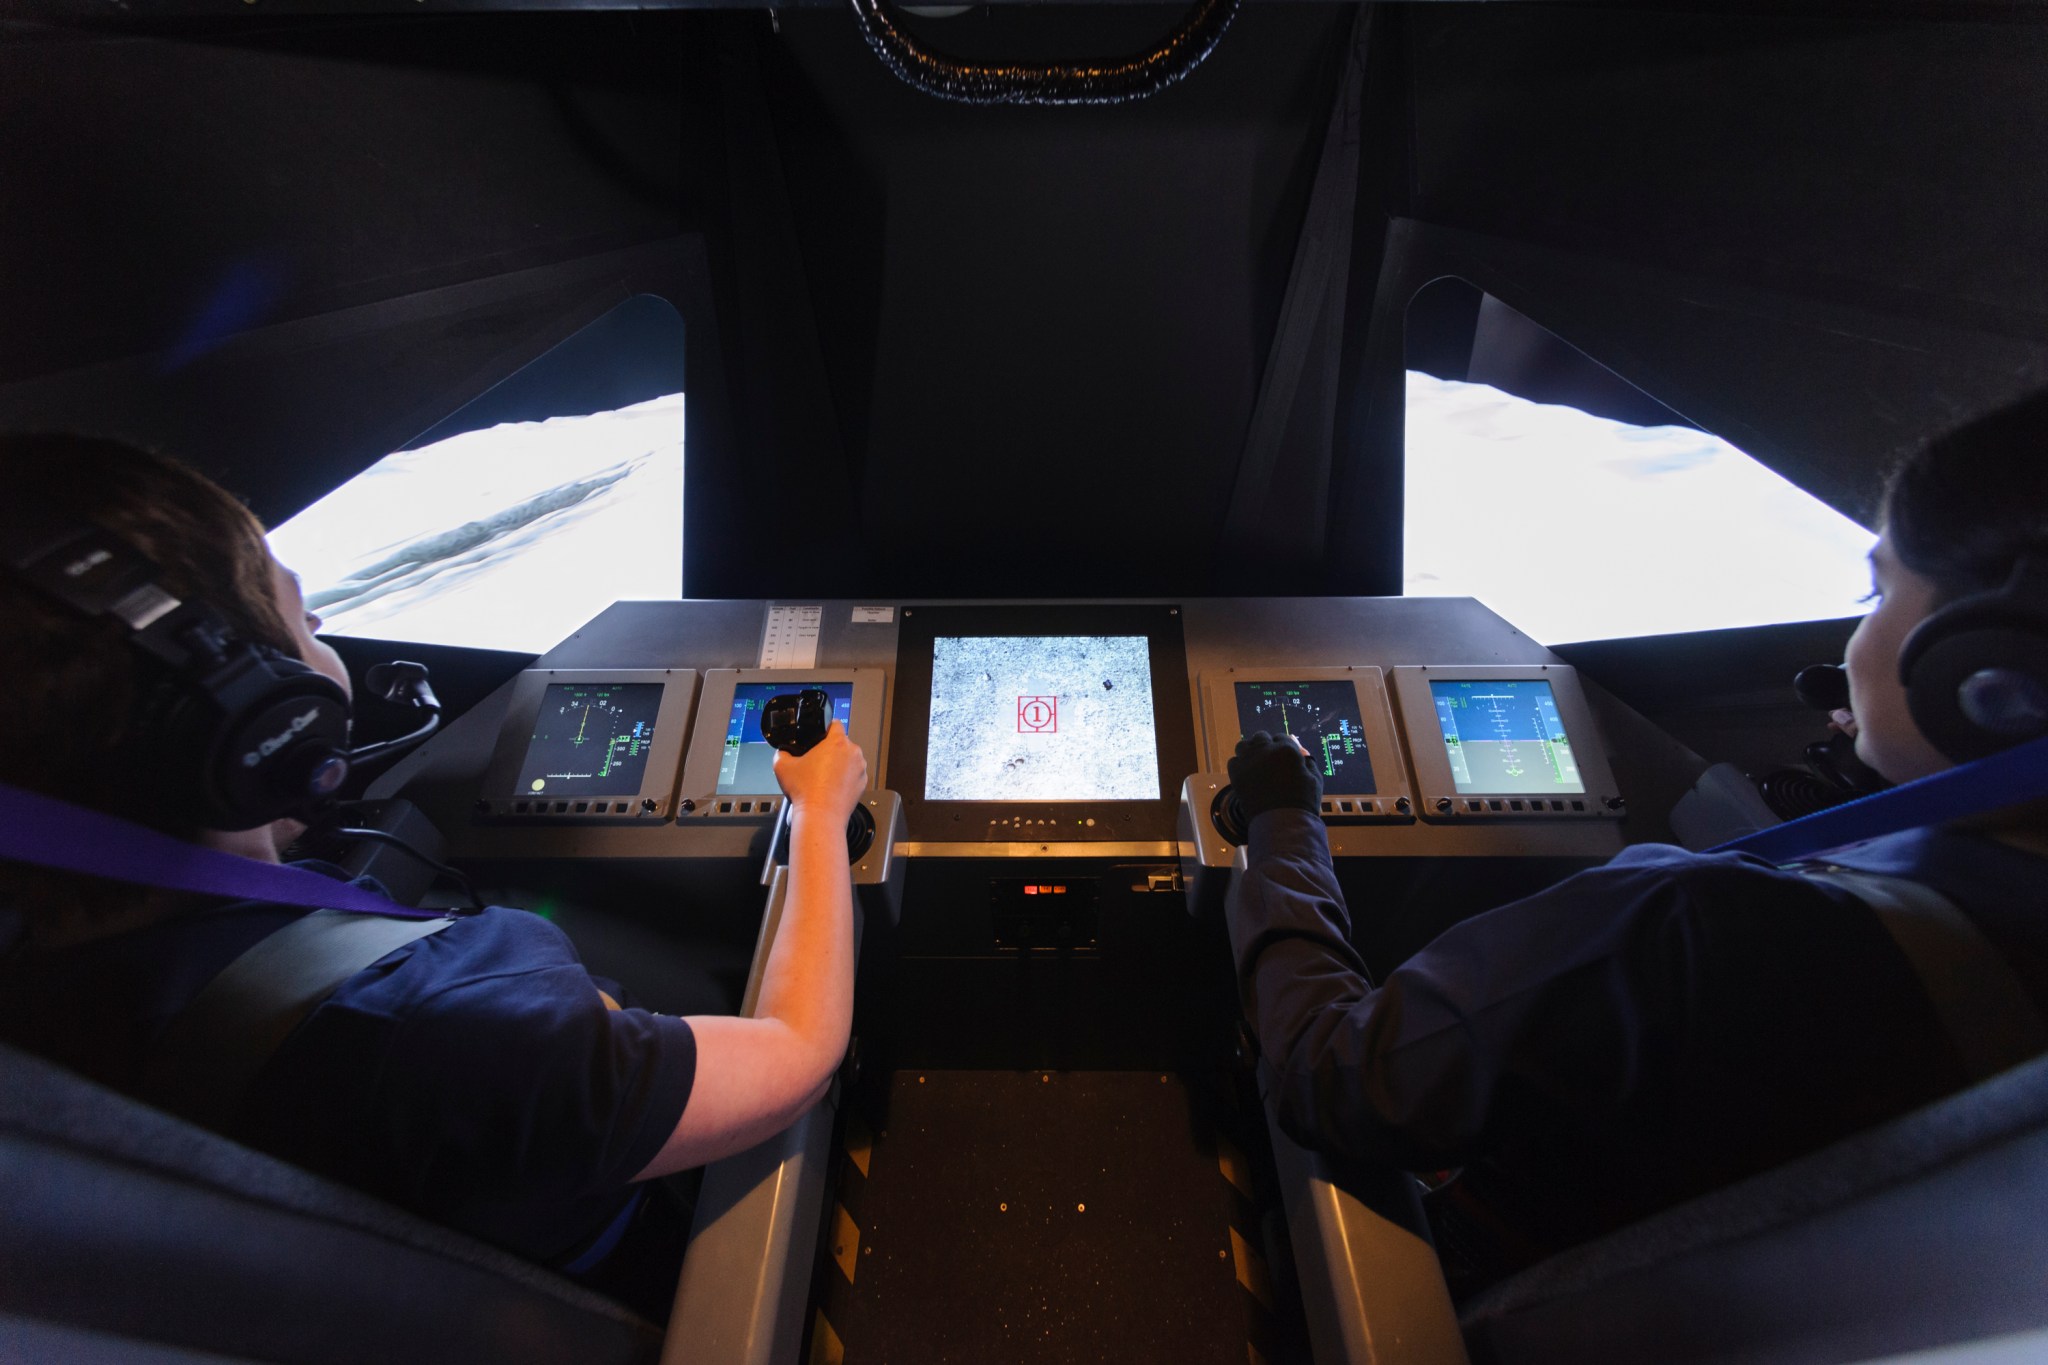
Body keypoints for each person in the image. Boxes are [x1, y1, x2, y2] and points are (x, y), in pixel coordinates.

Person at [0, 433, 869, 1312]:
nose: (322, 634)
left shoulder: (42, 983)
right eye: (301, 615)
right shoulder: (450, 1027)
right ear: (255, 716)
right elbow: (796, 1054)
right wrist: (819, 813)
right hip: (640, 1274)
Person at [1224, 394, 2048, 1288]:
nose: (1854, 638)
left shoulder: (1697, 929)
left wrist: (1282, 823)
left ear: (1985, 676)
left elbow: (1327, 1074)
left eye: (1879, 590)